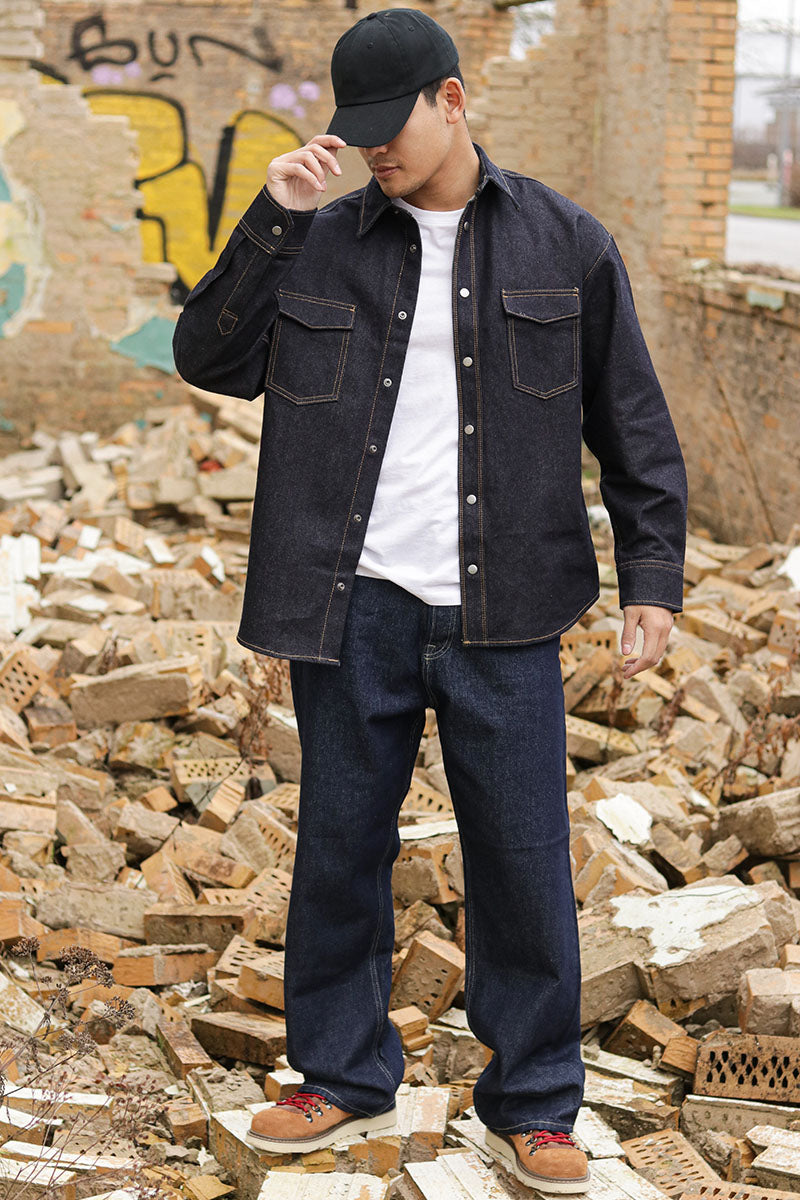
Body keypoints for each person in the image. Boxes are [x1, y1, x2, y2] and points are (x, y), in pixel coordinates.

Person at [172, 9, 688, 1193]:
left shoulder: (565, 242)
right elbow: (206, 356)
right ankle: (339, 1076)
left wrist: (651, 580)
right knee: (338, 850)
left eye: (388, 124)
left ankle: (535, 1103)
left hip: (503, 609)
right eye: (352, 128)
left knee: (520, 858)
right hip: (349, 602)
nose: (372, 149)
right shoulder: (316, 238)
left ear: (450, 101)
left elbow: (633, 426)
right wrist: (271, 221)